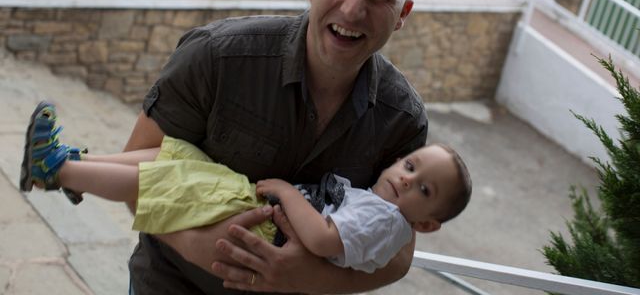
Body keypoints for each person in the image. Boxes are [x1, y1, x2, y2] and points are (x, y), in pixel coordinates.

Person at [90, 0, 425, 294]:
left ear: (403, 14)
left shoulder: (403, 120)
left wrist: (308, 278)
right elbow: (138, 174)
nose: (352, 9)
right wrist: (195, 245)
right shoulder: (216, 56)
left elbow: (399, 252)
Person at [20, 103, 471, 275]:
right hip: (266, 216)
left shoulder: (387, 219)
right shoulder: (383, 212)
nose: (408, 178)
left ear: (426, 223)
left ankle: (57, 169)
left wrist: (287, 193)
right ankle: (71, 164)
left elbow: (320, 239)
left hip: (266, 231)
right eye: (410, 165)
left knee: (175, 177)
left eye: (424, 190)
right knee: (177, 157)